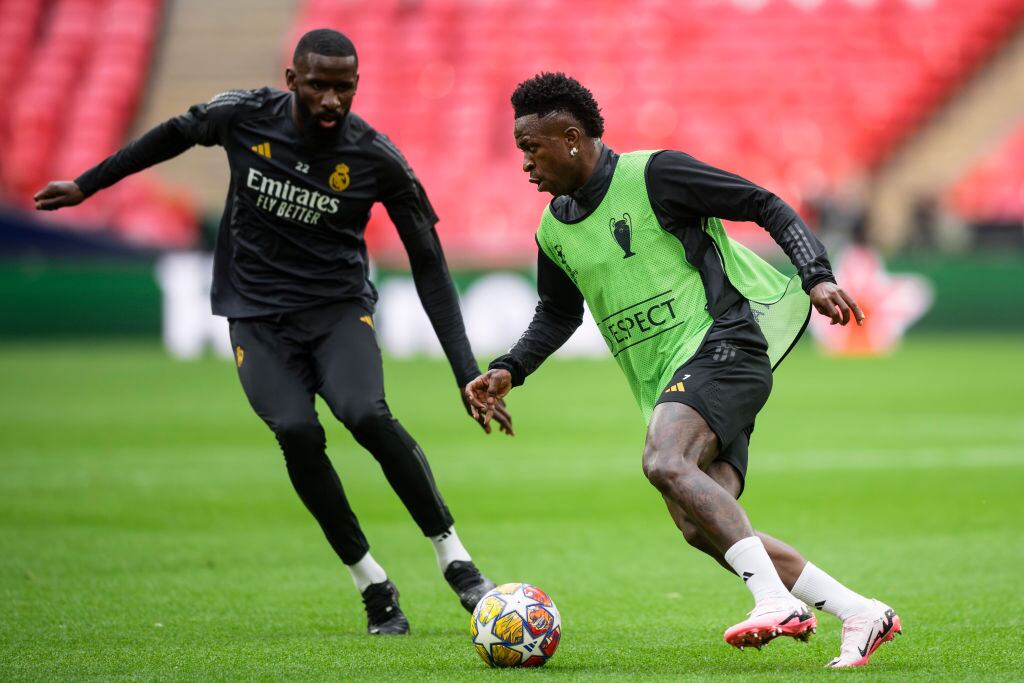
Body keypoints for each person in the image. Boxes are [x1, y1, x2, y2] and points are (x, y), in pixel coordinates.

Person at [34, 28, 512, 636]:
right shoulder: (245, 117)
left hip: (337, 311)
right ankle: (372, 584)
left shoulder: (376, 158)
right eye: (318, 85)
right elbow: (175, 133)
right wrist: (89, 183)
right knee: (296, 430)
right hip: (256, 317)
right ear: (292, 80)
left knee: (365, 414)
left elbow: (430, 266)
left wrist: (464, 370)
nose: (332, 100)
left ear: (357, 86)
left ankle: (457, 561)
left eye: (345, 88)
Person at [465, 73, 900, 668]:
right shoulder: (553, 230)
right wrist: (510, 368)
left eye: (530, 147)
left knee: (664, 460)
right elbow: (557, 314)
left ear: (570, 138)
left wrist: (815, 274)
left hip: (724, 345)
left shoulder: (655, 175)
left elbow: (762, 203)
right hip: (668, 382)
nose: (524, 163)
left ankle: (774, 600)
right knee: (704, 525)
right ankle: (859, 611)